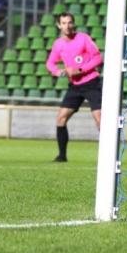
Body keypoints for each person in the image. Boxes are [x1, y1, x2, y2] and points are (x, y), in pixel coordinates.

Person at [45, 12, 103, 162]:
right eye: (64, 23)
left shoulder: (83, 38)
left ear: (74, 23)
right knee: (61, 119)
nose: (67, 26)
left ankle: (106, 155)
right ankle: (62, 156)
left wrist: (81, 69)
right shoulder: (58, 44)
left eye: (70, 22)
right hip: (75, 86)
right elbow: (50, 63)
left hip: (92, 83)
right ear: (59, 25)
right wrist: (58, 72)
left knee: (100, 119)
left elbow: (98, 58)